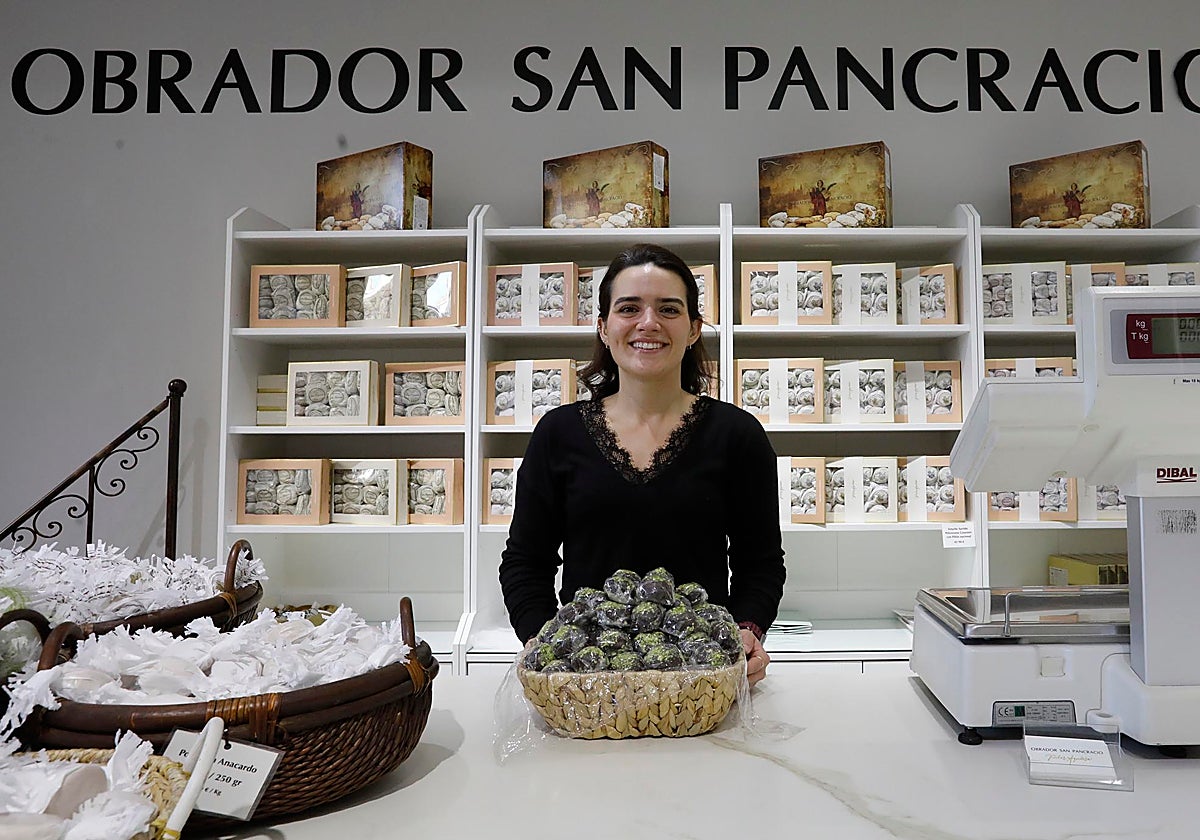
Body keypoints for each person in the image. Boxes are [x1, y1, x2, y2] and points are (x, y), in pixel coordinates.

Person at [498, 243, 786, 685]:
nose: (648, 323)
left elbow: (760, 562)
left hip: (700, 681)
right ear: (603, 326)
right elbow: (525, 560)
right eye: (629, 308)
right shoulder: (558, 434)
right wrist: (544, 645)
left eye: (668, 309)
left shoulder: (737, 435)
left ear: (693, 329)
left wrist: (747, 631)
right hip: (584, 683)